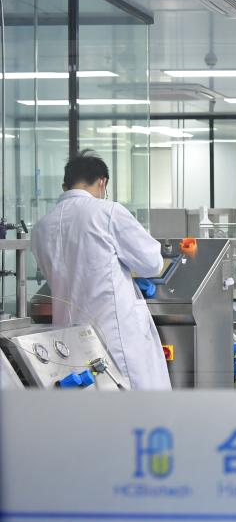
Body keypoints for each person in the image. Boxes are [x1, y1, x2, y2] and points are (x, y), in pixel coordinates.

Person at [32, 152, 171, 390]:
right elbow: (151, 263)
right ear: (102, 182)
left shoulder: (41, 227)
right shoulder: (107, 212)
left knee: (86, 403)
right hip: (113, 336)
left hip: (66, 339)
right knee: (127, 400)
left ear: (65, 186)